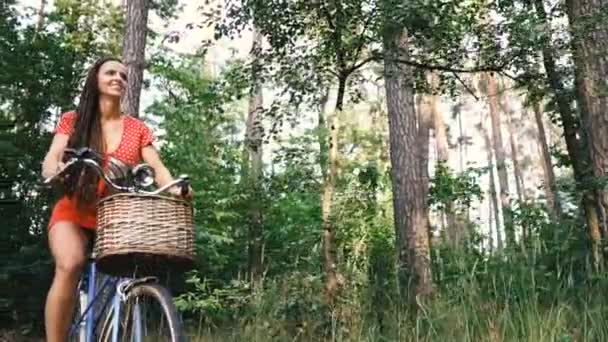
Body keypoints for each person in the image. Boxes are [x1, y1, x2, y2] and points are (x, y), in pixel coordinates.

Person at [41, 57, 191, 342]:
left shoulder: (137, 128)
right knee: (70, 263)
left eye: (123, 76)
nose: (118, 79)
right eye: (111, 73)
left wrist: (174, 188)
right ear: (95, 79)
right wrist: (53, 169)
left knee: (129, 272)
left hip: (116, 217)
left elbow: (158, 169)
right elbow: (54, 154)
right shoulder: (74, 120)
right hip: (74, 210)